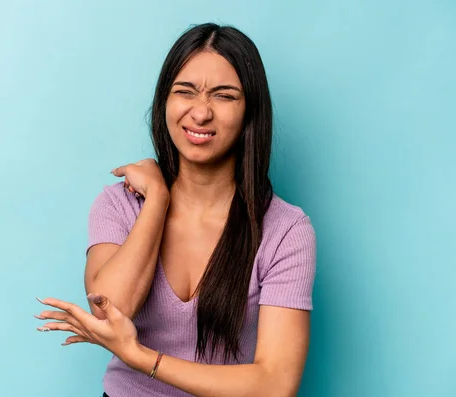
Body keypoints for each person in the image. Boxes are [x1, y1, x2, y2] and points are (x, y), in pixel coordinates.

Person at [35, 22, 317, 397]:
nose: (200, 113)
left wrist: (142, 358)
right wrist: (158, 202)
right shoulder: (118, 204)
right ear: (164, 101)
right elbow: (107, 312)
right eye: (185, 91)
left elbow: (275, 385)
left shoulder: (286, 230)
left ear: (250, 111)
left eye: (224, 96)